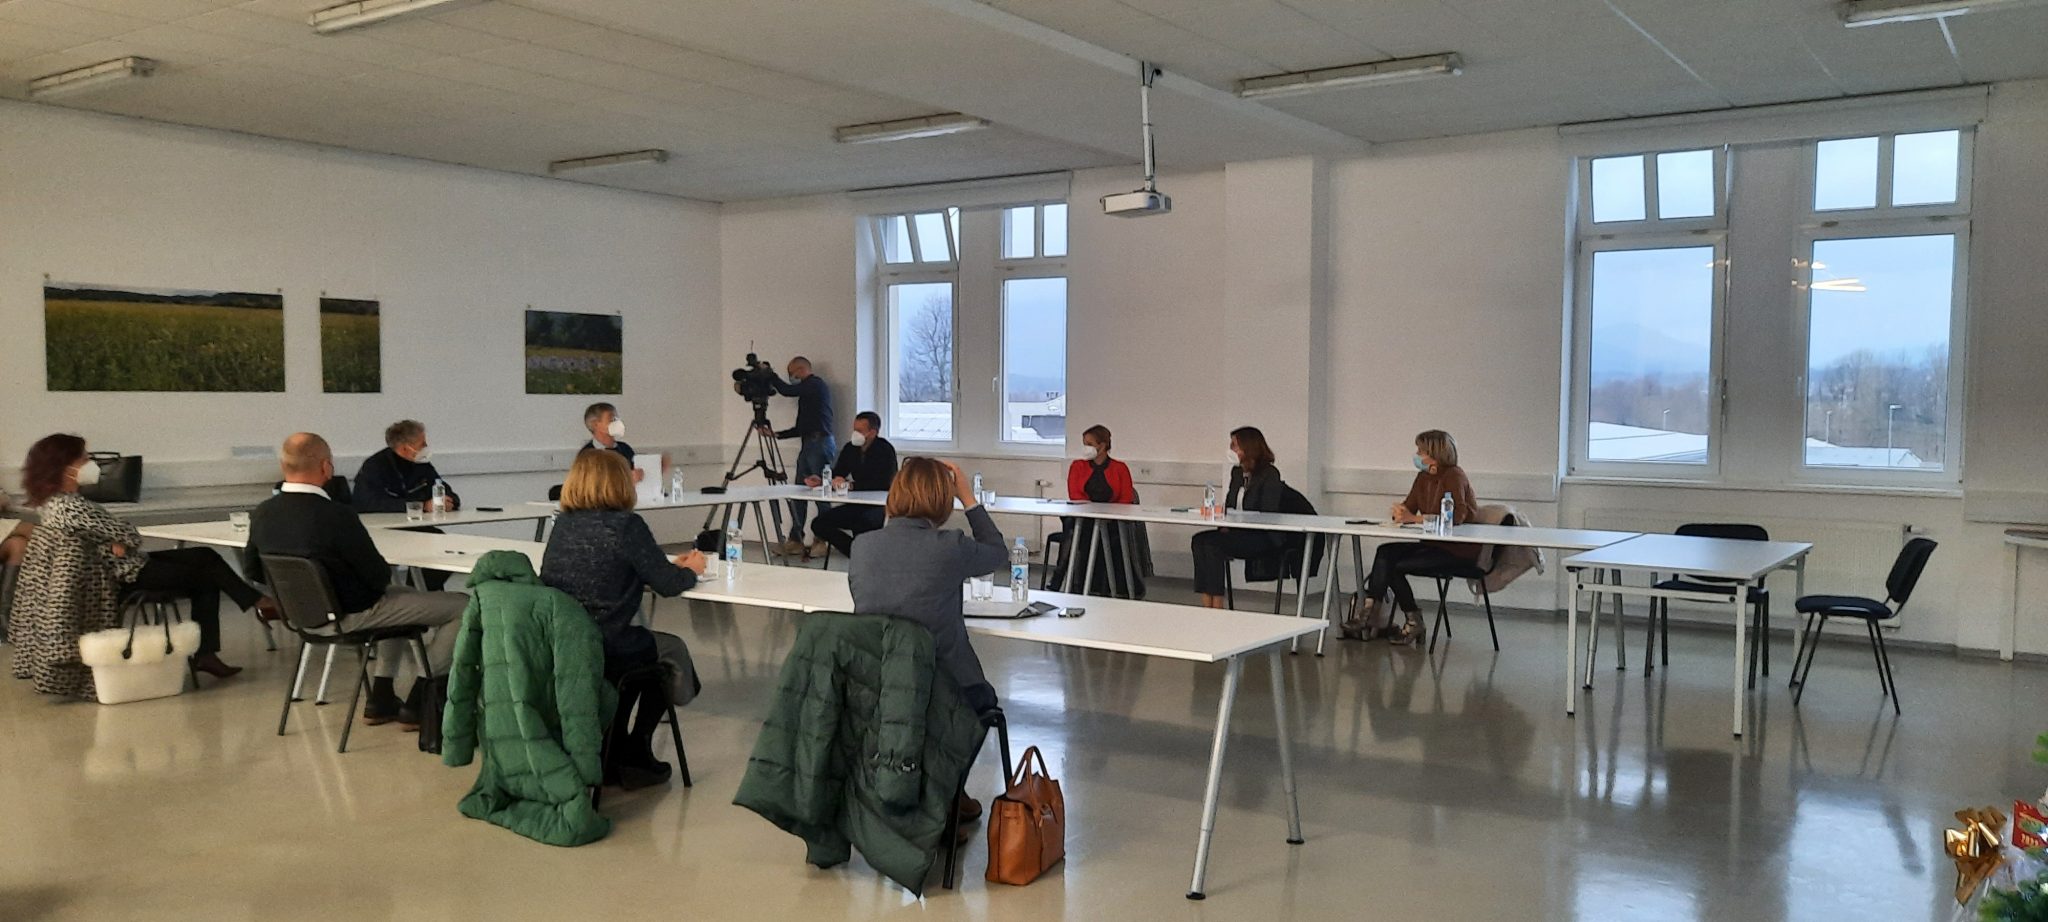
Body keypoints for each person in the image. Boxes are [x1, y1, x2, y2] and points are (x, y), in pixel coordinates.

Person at [8, 435, 276, 698]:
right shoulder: (73, 507)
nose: (92, 464)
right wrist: (118, 538)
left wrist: (116, 539)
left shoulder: (51, 504)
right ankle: (240, 622)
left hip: (121, 565)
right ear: (67, 467)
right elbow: (130, 535)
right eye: (85, 459)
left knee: (204, 558)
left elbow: (118, 536)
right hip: (122, 576)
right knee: (206, 575)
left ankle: (250, 609)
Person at [243, 433, 468, 729]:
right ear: (326, 467)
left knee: (402, 596)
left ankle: (381, 699)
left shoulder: (263, 513)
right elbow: (378, 575)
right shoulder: (336, 515)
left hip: (302, 617)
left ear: (284, 466)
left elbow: (253, 570)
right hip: (352, 614)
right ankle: (420, 699)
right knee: (463, 606)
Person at [540, 449, 707, 789]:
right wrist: (691, 570)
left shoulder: (563, 524)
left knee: (643, 655)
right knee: (670, 650)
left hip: (564, 641)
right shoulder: (626, 526)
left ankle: (615, 746)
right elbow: (668, 585)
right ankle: (637, 747)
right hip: (608, 642)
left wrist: (664, 566)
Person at [848, 457, 1006, 716]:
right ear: (944, 499)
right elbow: (997, 553)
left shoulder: (862, 546)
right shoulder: (950, 547)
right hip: (946, 687)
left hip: (878, 684)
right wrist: (968, 499)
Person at [1339, 429, 1481, 646]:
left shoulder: (1454, 475)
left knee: (1393, 567)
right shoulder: (1423, 477)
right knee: (1385, 551)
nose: (1417, 455)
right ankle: (1370, 613)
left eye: (1420, 451)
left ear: (1435, 454)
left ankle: (1404, 620)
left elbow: (1456, 517)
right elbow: (1410, 506)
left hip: (1457, 551)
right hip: (1433, 544)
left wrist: (1413, 519)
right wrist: (1400, 512)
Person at [1190, 426, 1288, 609]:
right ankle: (1206, 604)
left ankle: (1217, 606)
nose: (1231, 450)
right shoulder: (1237, 473)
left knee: (1212, 545)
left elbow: (1268, 511)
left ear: (1248, 447)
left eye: (1234, 445)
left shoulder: (1269, 474)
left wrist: (1240, 519)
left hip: (1260, 536)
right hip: (1237, 532)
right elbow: (1231, 504)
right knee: (1199, 540)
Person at [764, 356, 835, 555]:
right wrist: (776, 435)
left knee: (821, 494)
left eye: (791, 372)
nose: (791, 377)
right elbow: (801, 427)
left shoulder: (815, 385)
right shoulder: (808, 393)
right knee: (799, 493)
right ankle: (796, 539)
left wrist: (770, 375)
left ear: (801, 369)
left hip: (819, 444)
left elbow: (787, 390)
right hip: (809, 443)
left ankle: (822, 540)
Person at [1061, 424, 1142, 596]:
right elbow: (1075, 495)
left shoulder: (1120, 468)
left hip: (1113, 520)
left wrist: (1108, 513)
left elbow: (1126, 498)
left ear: (1102, 445)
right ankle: (1073, 583)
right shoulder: (1077, 466)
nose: (1086, 448)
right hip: (1084, 517)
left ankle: (1115, 587)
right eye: (1084, 443)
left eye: (1089, 444)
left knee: (1106, 535)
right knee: (1080, 532)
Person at [807, 411, 898, 559]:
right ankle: (855, 553)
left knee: (862, 524)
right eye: (855, 429)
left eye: (860, 431)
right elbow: (839, 472)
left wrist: (851, 486)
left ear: (873, 432)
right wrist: (823, 481)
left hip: (878, 506)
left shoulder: (885, 450)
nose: (855, 434)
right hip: (856, 504)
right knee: (819, 524)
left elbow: (884, 482)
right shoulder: (850, 448)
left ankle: (862, 555)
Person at [353, 419, 458, 514]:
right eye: (422, 444)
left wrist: (447, 502)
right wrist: (422, 506)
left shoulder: (422, 464)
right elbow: (366, 503)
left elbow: (447, 492)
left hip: (419, 522)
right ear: (404, 448)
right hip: (386, 524)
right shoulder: (375, 466)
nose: (426, 447)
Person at [582, 402, 642, 482]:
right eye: (612, 420)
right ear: (596, 424)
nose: (617, 423)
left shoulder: (625, 448)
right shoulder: (587, 455)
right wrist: (627, 479)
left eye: (617, 419)